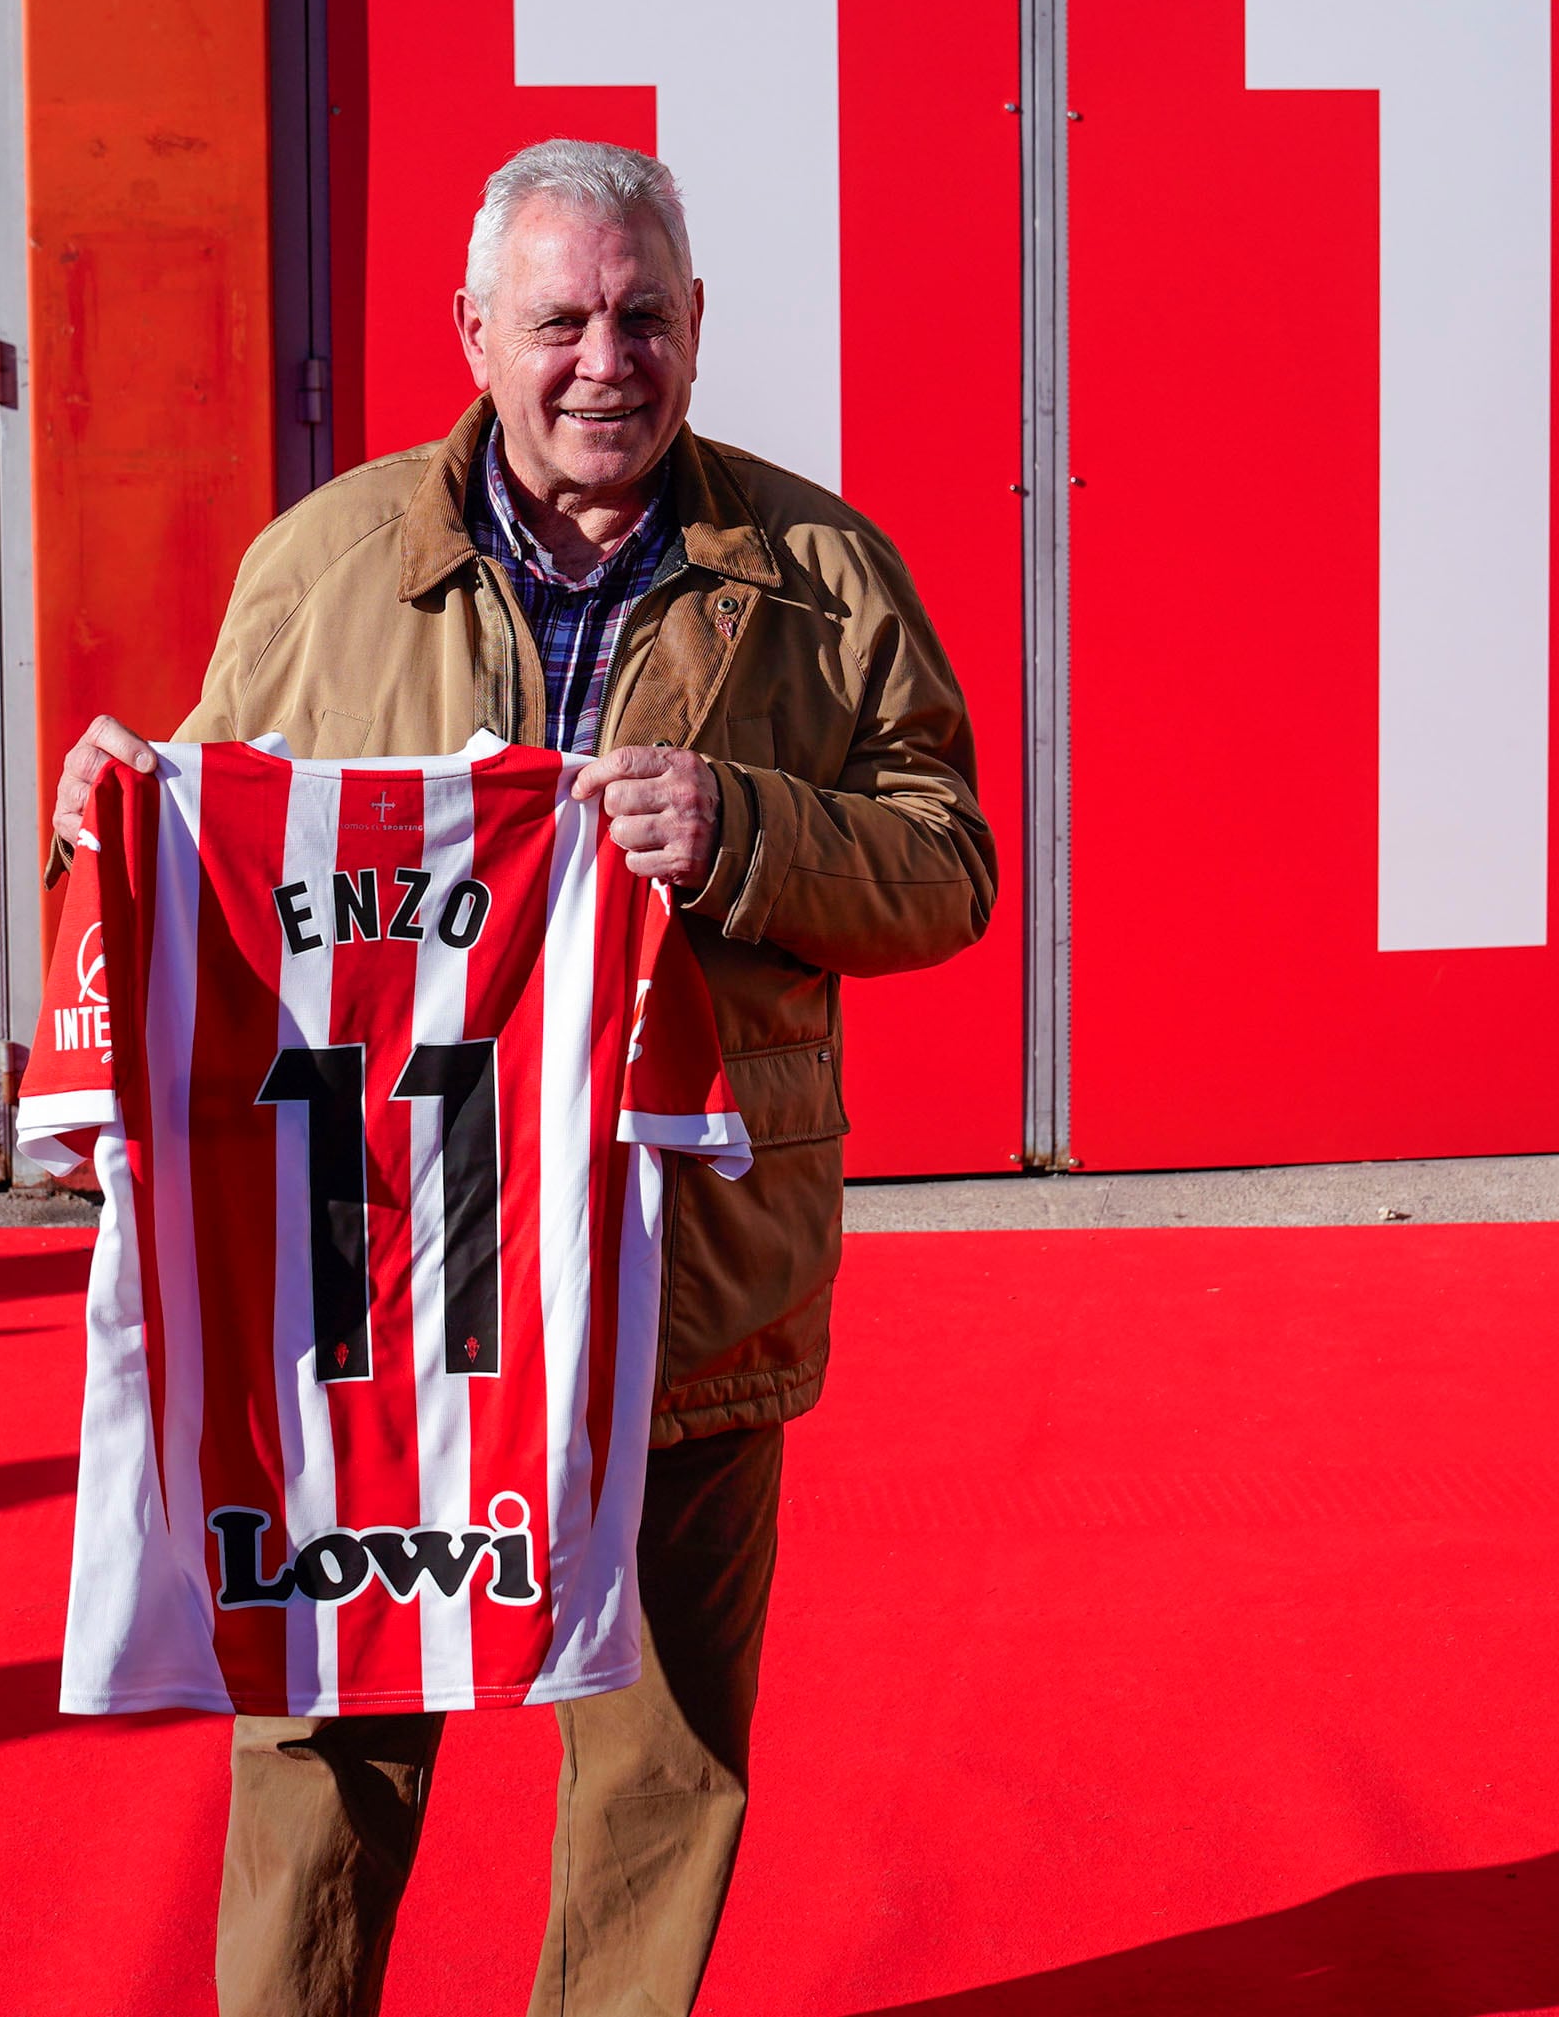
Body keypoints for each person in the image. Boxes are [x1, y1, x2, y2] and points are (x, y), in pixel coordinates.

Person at [50, 137, 995, 2017]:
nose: (601, 361)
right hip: (383, 1276)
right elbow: (217, 862)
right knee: (321, 1741)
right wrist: (111, 821)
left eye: (642, 318)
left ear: (700, 331)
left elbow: (946, 868)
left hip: (687, 1261)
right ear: (472, 333)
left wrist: (743, 828)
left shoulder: (819, 579)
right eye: (557, 319)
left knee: (661, 1768)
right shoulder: (318, 565)